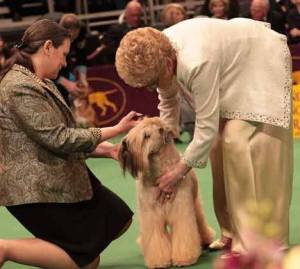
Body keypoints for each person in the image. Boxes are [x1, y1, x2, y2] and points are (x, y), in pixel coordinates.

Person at [115, 18, 293, 255]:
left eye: (153, 83)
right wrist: (166, 145)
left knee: (238, 142)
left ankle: (261, 241)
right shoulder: (154, 50)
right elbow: (168, 100)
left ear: (168, 65)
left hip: (260, 59)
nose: (152, 88)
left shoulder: (197, 61)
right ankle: (231, 232)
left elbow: (205, 127)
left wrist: (177, 172)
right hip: (230, 60)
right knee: (218, 145)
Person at [0, 19, 141, 269]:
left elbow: (59, 136)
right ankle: (4, 248)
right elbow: (59, 139)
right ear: (47, 47)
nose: (65, 62)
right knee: (85, 262)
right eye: (63, 54)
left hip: (54, 176)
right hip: (33, 188)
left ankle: (64, 249)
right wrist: (116, 130)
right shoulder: (19, 86)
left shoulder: (38, 81)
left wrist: (106, 150)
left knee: (118, 219)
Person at [57, 13, 88, 106]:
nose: (72, 42)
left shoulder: (82, 29)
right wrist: (66, 83)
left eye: (75, 38)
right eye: (70, 38)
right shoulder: (49, 35)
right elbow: (43, 67)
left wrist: (83, 78)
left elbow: (81, 54)